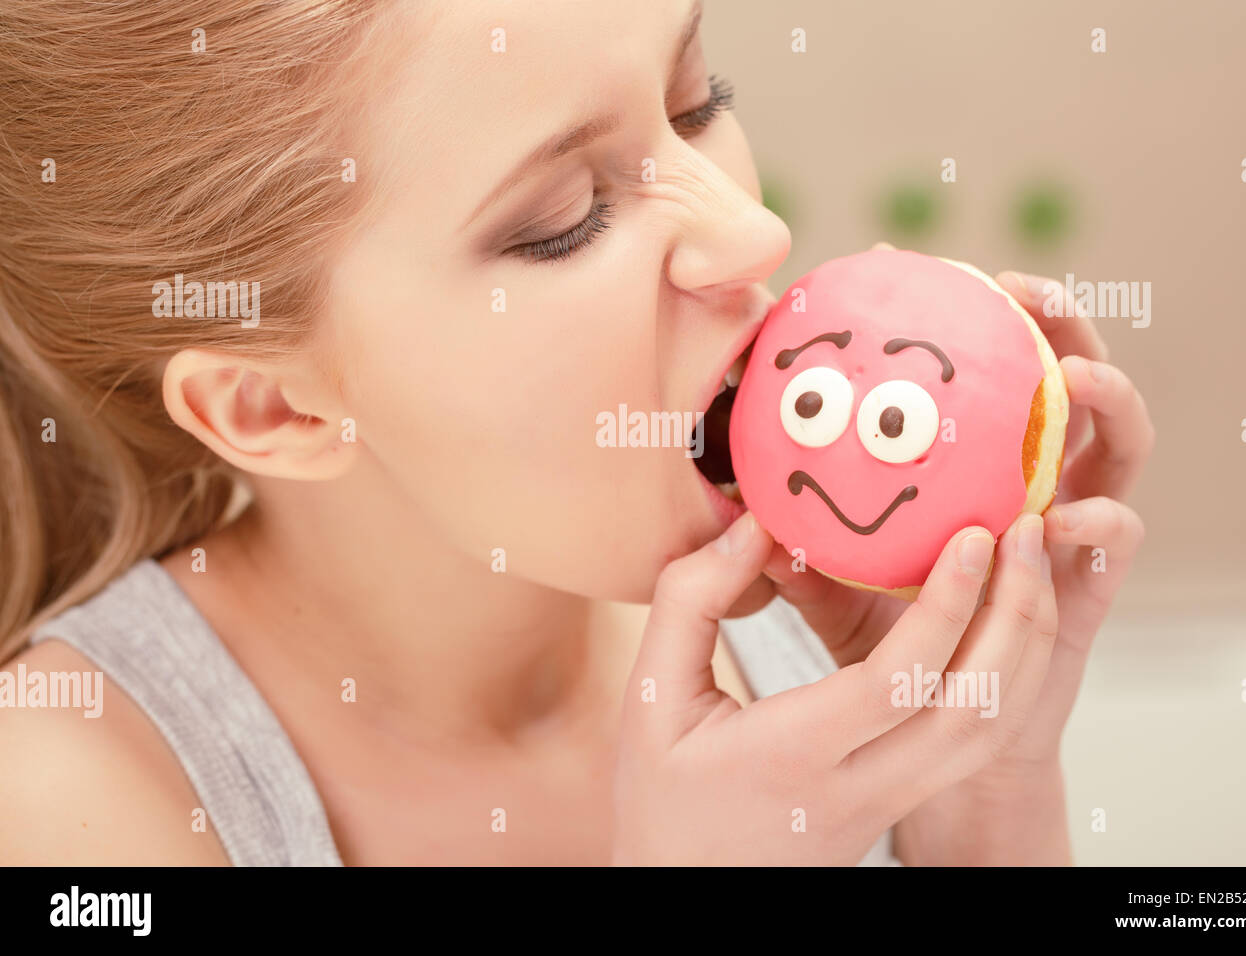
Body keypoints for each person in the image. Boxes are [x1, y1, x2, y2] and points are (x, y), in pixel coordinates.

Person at [0, 0, 1152, 865]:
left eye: (697, 102)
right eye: (565, 220)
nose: (753, 231)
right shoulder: (76, 806)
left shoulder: (827, 651)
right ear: (278, 407)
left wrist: (983, 795)